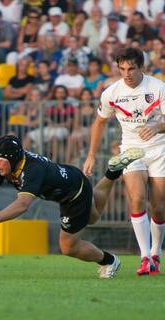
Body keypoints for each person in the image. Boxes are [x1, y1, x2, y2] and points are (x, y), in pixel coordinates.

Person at [0, 135, 143, 278]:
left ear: (12, 159)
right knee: (93, 216)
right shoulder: (6, 165)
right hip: (73, 179)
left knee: (68, 247)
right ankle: (112, 173)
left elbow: (22, 205)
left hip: (73, 194)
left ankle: (110, 261)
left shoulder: (32, 170)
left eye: (0, 160)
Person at [83, 47, 165, 276]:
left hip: (160, 149)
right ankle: (145, 257)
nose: (126, 73)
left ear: (142, 67)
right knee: (137, 199)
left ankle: (156, 253)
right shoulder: (112, 92)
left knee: (158, 207)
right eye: (122, 69)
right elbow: (99, 123)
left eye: (131, 68)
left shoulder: (158, 88)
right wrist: (91, 155)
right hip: (131, 150)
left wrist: (158, 126)